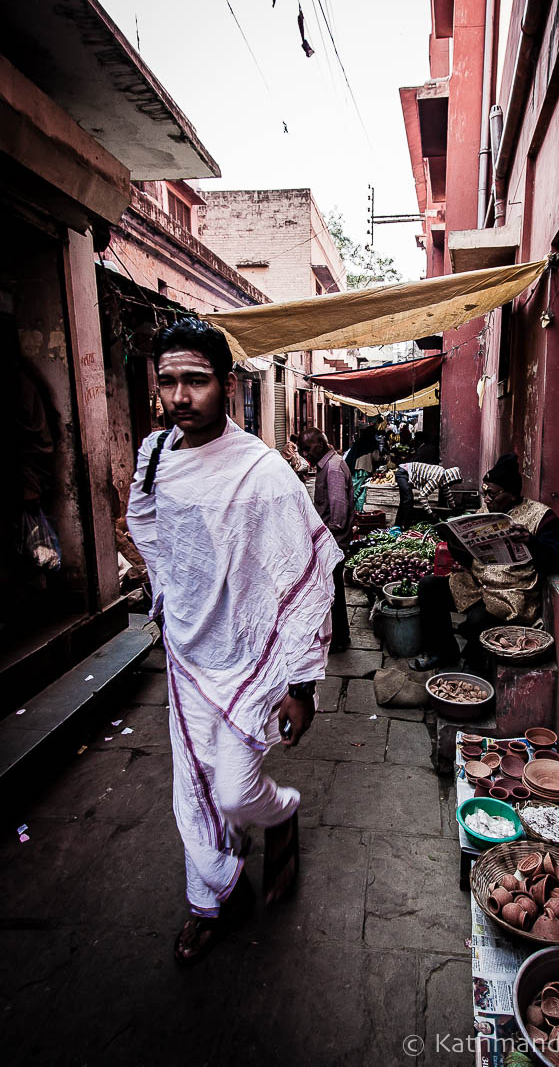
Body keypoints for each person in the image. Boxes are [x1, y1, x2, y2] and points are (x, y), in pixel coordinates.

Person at [126, 319, 342, 965]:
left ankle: (281, 815)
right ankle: (212, 898)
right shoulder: (156, 455)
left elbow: (307, 584)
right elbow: (144, 518)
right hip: (187, 656)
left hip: (251, 661)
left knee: (234, 792)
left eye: (195, 380)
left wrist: (302, 688)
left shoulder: (262, 473)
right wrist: (166, 587)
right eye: (168, 382)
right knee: (191, 788)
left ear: (227, 386)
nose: (179, 396)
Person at [409, 452, 559, 671]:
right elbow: (470, 558)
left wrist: (531, 542)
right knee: (429, 587)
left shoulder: (542, 516)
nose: (487, 499)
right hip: (477, 585)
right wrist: (456, 544)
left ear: (511, 494)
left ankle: (473, 666)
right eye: (485, 493)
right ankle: (443, 653)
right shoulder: (485, 512)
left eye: (493, 494)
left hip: (511, 594)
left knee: (477, 620)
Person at [298, 427, 354, 652]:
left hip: (334, 543)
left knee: (334, 591)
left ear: (320, 445)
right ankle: (339, 637)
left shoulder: (332, 469)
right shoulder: (329, 465)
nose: (304, 453)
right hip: (332, 542)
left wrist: (320, 539)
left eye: (307, 448)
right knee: (333, 590)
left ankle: (340, 639)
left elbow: (338, 516)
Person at [394, 458, 463, 530]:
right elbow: (422, 496)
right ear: (450, 479)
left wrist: (454, 507)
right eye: (453, 483)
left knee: (404, 501)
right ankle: (404, 527)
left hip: (406, 473)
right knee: (408, 499)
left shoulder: (443, 476)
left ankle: (397, 525)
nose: (451, 485)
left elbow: (447, 493)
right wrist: (431, 513)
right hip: (403, 473)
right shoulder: (437, 478)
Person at [345, 426, 382, 511]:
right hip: (364, 469)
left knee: (359, 490)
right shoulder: (372, 443)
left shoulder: (359, 441)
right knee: (357, 491)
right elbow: (376, 458)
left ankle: (357, 511)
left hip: (355, 468)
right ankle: (350, 510)